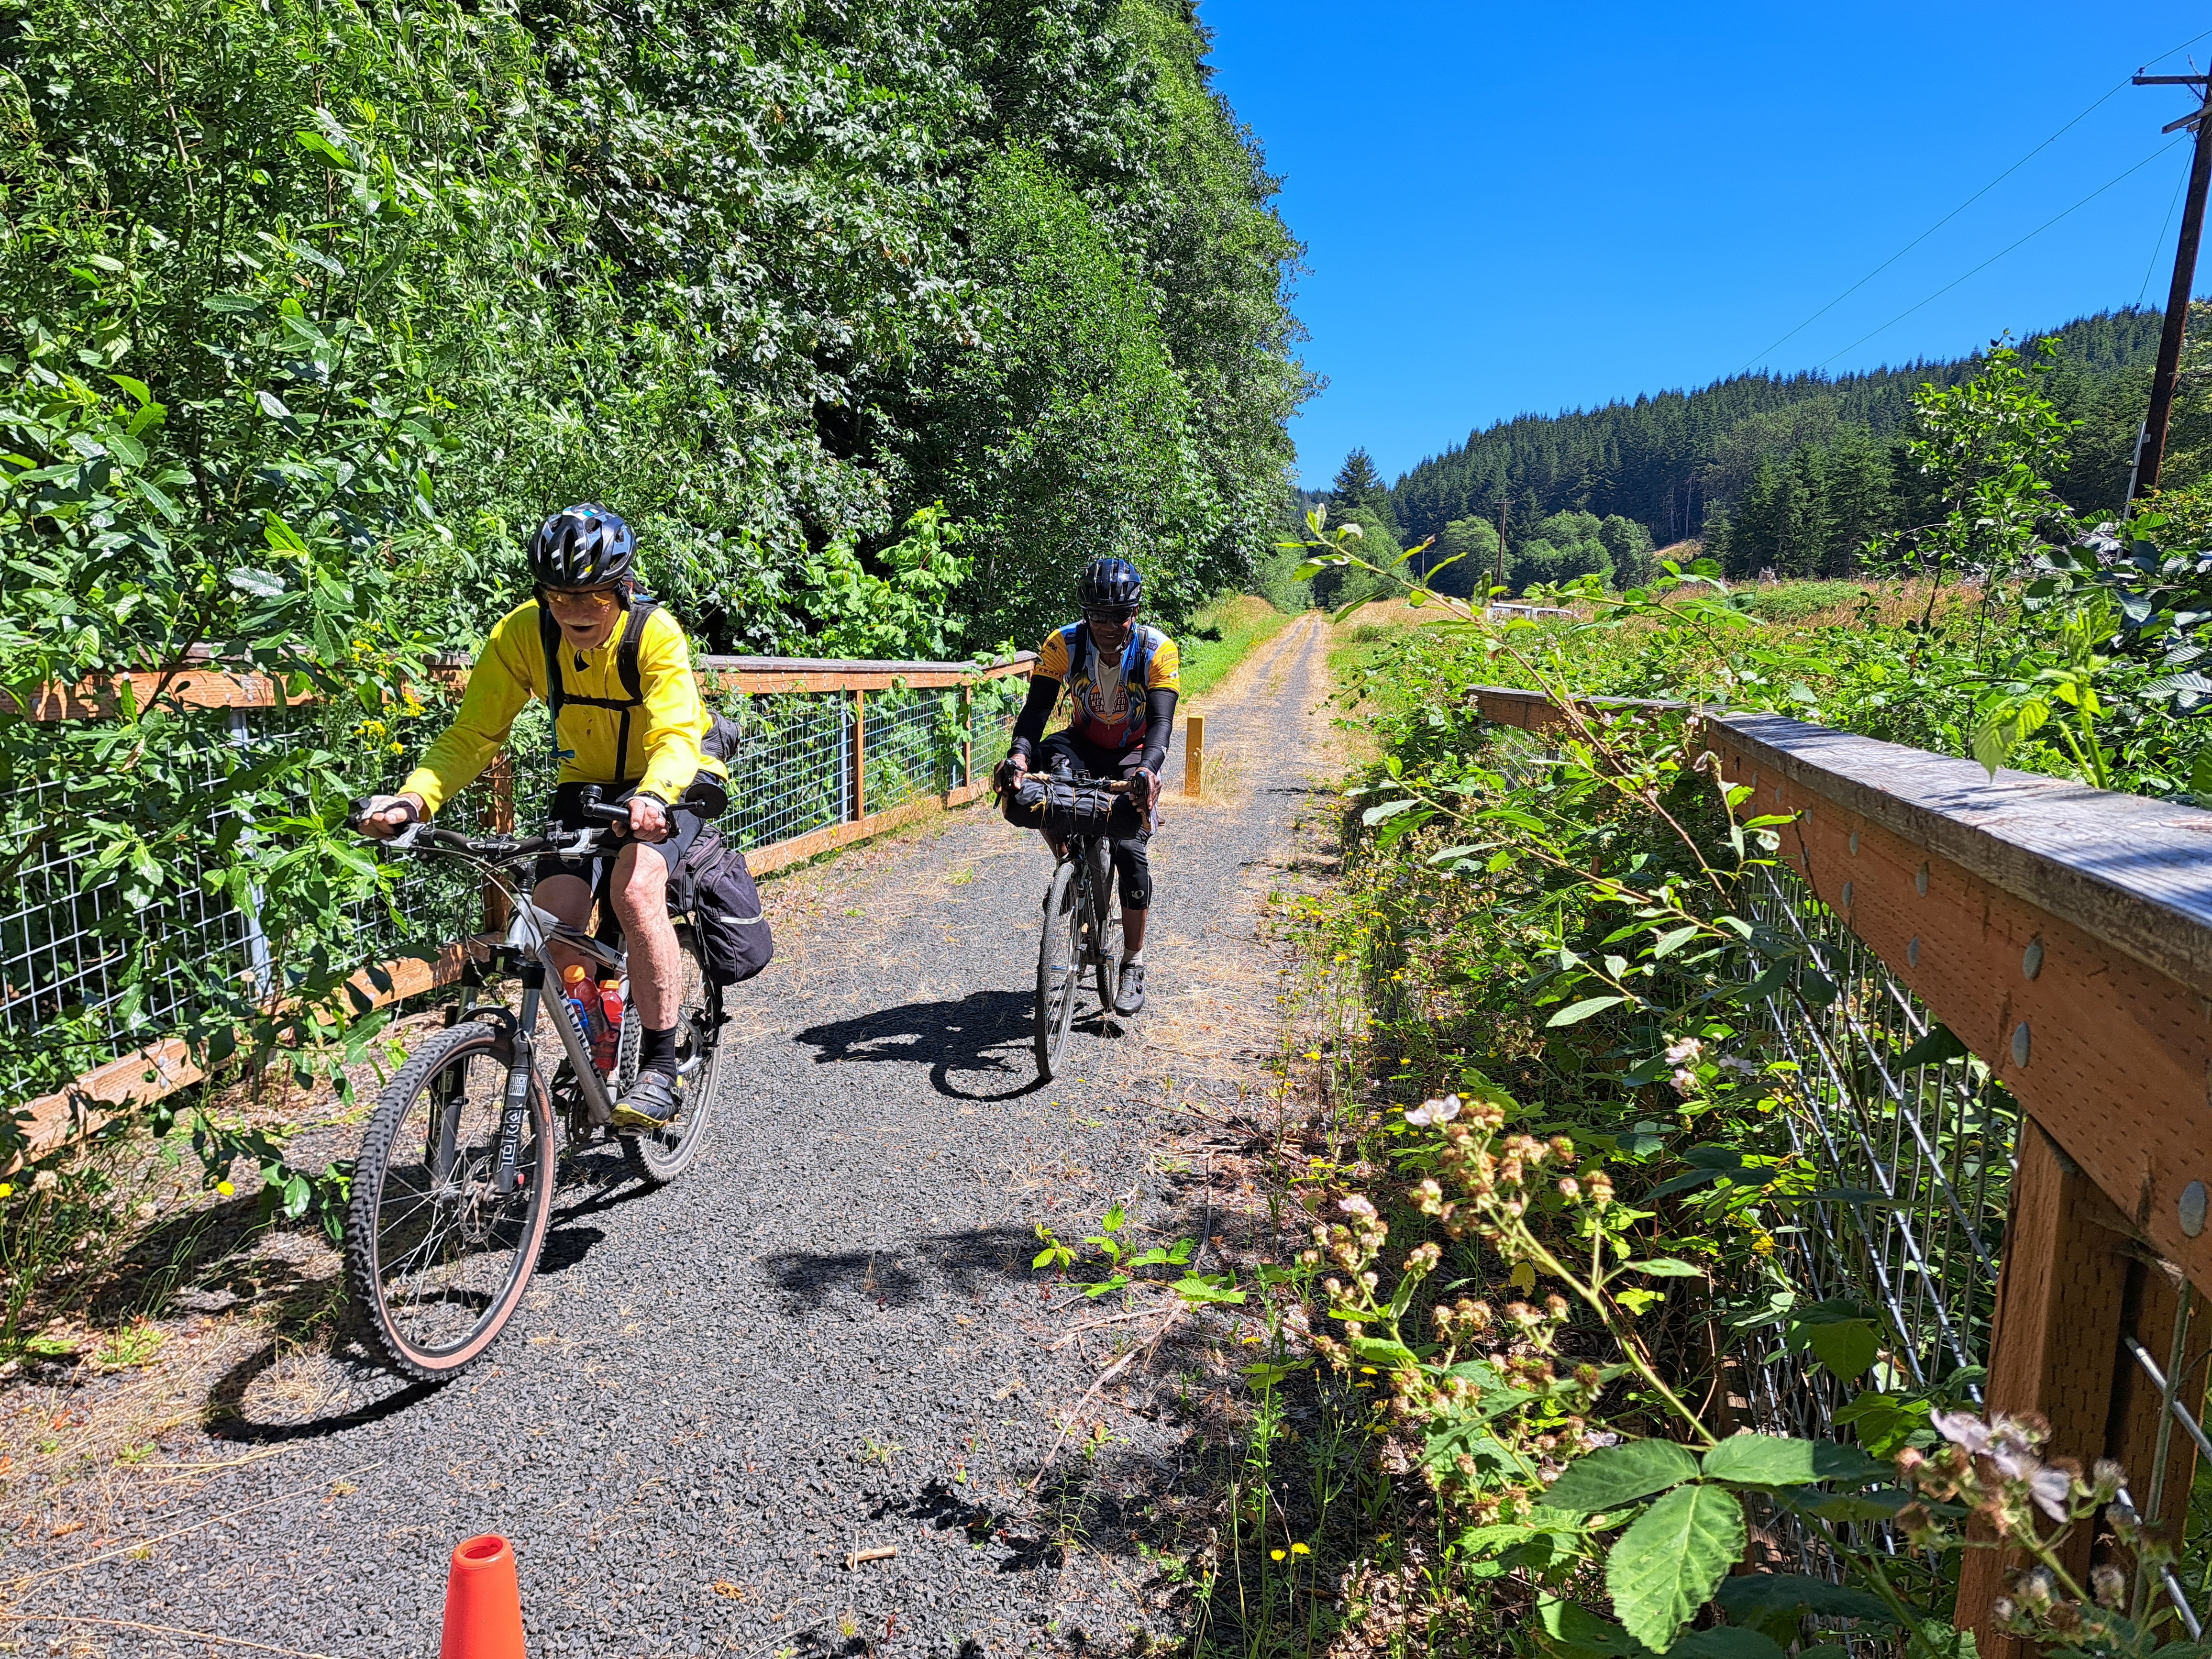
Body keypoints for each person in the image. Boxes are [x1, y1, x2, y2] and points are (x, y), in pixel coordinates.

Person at [354, 505, 730, 1129]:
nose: (576, 609)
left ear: (623, 588)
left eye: (591, 596)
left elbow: (674, 735)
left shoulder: (654, 634)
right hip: (583, 786)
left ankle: (661, 1068)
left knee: (635, 893)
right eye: (560, 595)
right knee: (555, 924)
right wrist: (414, 799)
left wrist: (655, 796)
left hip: (669, 783)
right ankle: (598, 1030)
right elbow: (474, 733)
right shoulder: (522, 635)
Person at [998, 556, 1180, 1016]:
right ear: (1086, 614)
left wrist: (1150, 772)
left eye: (1119, 616)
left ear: (1133, 613)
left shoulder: (1158, 650)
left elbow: (1161, 723)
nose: (1109, 626)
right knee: (1043, 776)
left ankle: (1134, 961)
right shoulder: (1063, 643)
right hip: (1081, 742)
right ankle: (1070, 863)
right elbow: (1037, 712)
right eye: (1099, 616)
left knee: (1130, 849)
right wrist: (1019, 755)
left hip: (1133, 750)